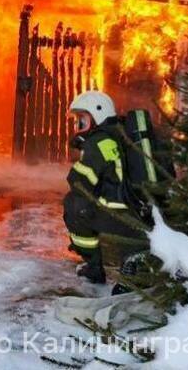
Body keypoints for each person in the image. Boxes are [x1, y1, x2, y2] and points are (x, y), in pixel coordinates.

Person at [62, 90, 137, 285]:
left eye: (82, 120)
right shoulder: (113, 135)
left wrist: (86, 149)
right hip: (132, 207)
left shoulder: (98, 142)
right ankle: (128, 263)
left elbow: (80, 181)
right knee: (80, 202)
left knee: (74, 205)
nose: (79, 125)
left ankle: (94, 267)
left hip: (119, 212)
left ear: (98, 115)